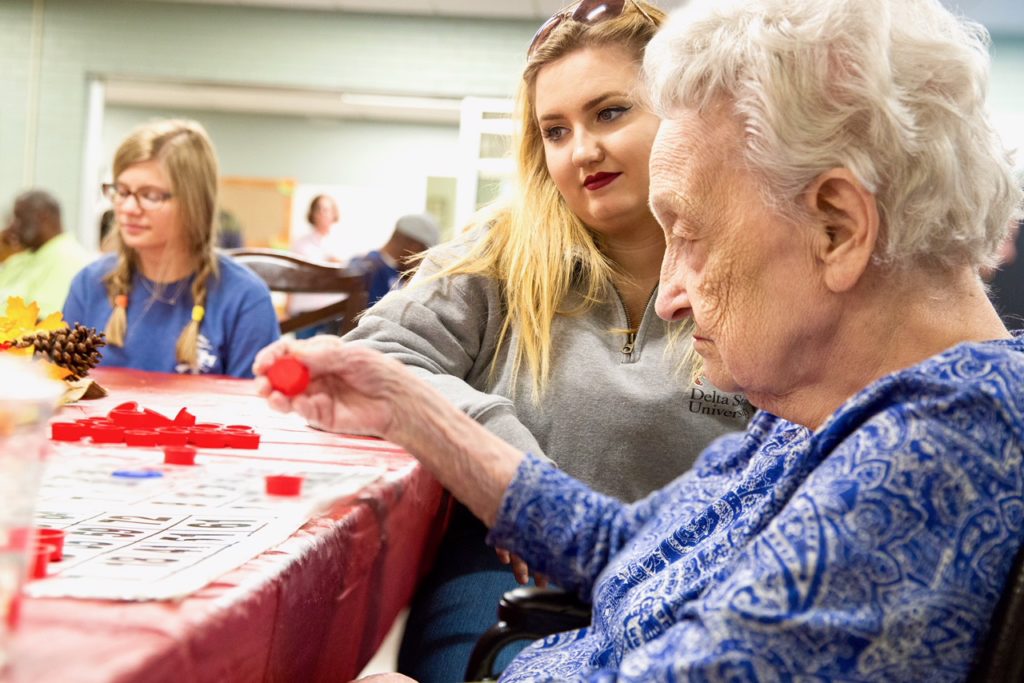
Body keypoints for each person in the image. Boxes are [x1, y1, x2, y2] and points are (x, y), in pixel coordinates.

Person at [256, 0, 1024, 678]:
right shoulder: (831, 408)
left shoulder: (925, 461)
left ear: (837, 226)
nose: (672, 296)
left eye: (689, 235)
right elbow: (634, 541)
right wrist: (409, 406)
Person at [331, 2, 750, 680]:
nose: (581, 150)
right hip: (507, 577)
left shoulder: (753, 264)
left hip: (682, 584)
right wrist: (511, 460)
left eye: (610, 112)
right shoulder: (502, 249)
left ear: (684, 112)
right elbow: (373, 358)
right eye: (555, 131)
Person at [64, 119, 279, 378]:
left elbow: (256, 412)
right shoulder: (89, 285)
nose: (129, 208)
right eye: (122, 191)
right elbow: (63, 394)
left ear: (194, 203)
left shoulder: (245, 298)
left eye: (151, 195)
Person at [0, 190, 93, 316]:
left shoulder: (69, 259)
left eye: (18, 218)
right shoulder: (20, 258)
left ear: (42, 217)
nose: (11, 226)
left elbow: (46, 325)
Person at [348, 213, 441, 307]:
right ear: (414, 246)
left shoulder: (401, 273)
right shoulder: (364, 268)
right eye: (424, 252)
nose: (423, 260)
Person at [288, 194, 346, 338]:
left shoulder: (343, 243)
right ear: (312, 214)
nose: (322, 214)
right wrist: (287, 306)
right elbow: (292, 276)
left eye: (327, 209)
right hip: (306, 310)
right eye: (318, 209)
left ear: (334, 213)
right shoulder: (300, 244)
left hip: (334, 310)